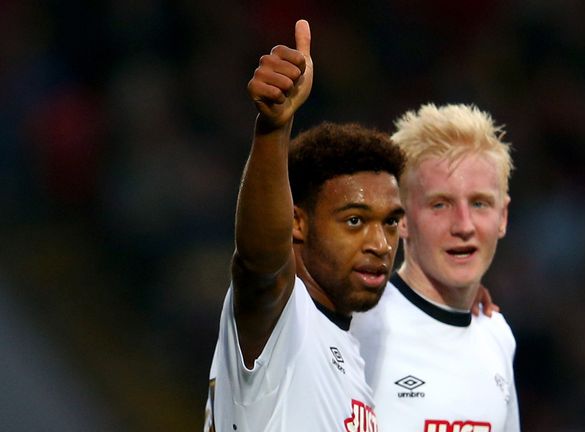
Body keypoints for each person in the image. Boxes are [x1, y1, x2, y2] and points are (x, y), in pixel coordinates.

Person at [204, 19, 405, 431]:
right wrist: (273, 130)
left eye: (390, 224)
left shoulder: (350, 358)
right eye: (355, 220)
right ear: (297, 222)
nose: (380, 244)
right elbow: (260, 262)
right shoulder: (283, 316)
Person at [351, 103, 521, 431]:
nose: (464, 225)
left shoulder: (497, 334)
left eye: (479, 203)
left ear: (503, 217)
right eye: (439, 204)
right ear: (400, 219)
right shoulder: (357, 323)